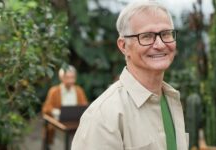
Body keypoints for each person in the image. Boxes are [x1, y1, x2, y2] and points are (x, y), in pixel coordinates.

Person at [71, 0, 188, 150]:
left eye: (165, 34)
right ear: (123, 46)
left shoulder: (171, 100)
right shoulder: (104, 116)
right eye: (147, 36)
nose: (159, 44)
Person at [42, 65, 88, 144]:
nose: (70, 80)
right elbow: (46, 108)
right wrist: (57, 112)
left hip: (75, 124)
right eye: (67, 77)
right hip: (59, 124)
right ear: (61, 78)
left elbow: (84, 106)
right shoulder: (54, 91)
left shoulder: (79, 91)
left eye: (72, 77)